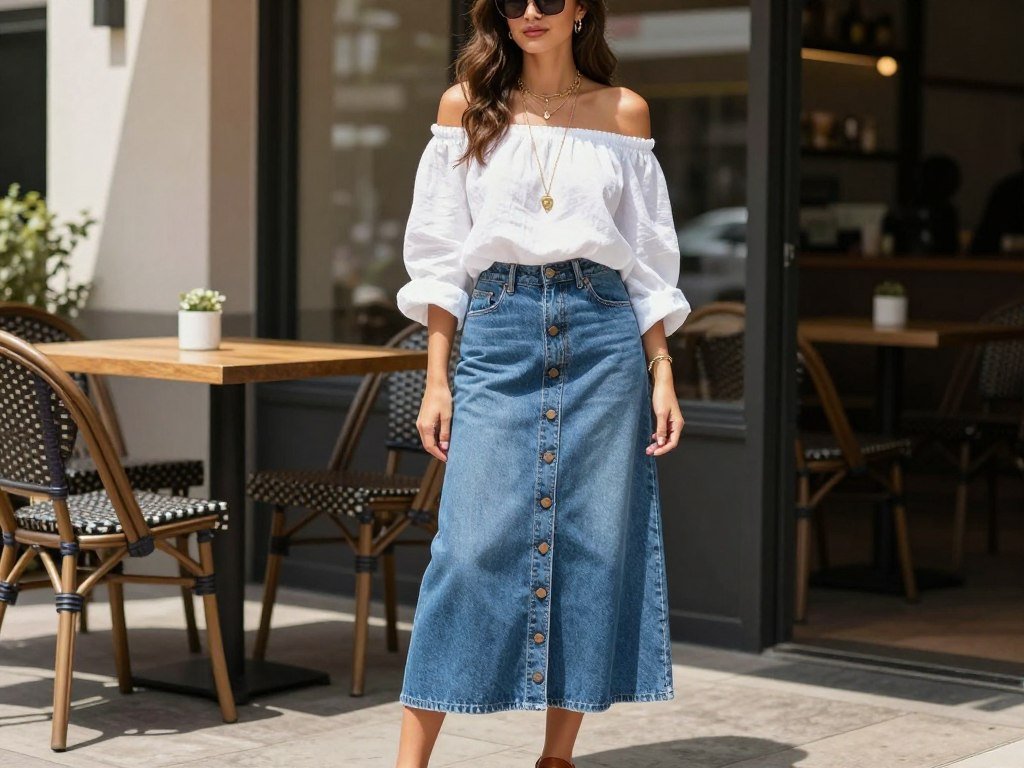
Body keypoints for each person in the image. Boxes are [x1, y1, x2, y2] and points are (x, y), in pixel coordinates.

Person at [393, 2, 690, 767]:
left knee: (593, 550)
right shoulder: (466, 106)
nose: (531, 11)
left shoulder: (623, 113)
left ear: (581, 9)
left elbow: (649, 263)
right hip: (500, 329)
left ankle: (556, 759)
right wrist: (436, 378)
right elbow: (439, 258)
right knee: (467, 552)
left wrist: (661, 370)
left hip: (603, 334)